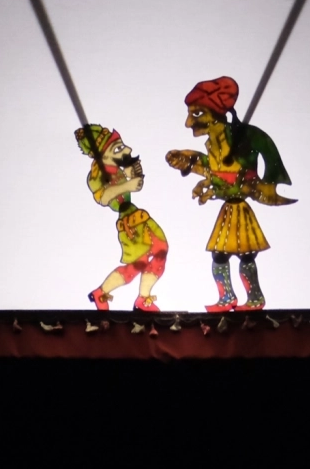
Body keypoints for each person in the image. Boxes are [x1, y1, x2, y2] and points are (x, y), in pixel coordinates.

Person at [164, 76, 295, 312]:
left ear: (215, 114)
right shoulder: (213, 146)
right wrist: (198, 172)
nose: (188, 122)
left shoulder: (242, 141)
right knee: (220, 256)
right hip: (228, 210)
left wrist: (215, 184)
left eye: (196, 114)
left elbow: (236, 178)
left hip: (239, 209)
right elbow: (217, 172)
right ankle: (227, 297)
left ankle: (254, 297)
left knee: (245, 255)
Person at [75, 125, 167, 312]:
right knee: (142, 261)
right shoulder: (96, 175)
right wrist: (127, 186)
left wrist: (133, 174)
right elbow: (103, 198)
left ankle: (129, 296)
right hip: (129, 221)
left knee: (154, 254)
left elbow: (135, 184)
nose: (126, 150)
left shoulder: (116, 169)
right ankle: (132, 297)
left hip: (136, 215)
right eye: (117, 148)